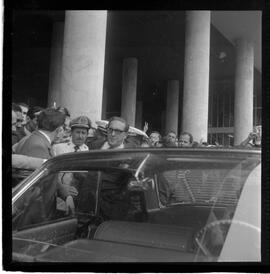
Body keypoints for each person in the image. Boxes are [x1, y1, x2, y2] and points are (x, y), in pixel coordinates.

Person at [13, 107, 75, 214]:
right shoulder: (38, 146)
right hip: (34, 215)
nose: (65, 132)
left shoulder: (31, 139)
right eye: (64, 128)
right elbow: (41, 187)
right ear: (59, 129)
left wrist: (65, 194)